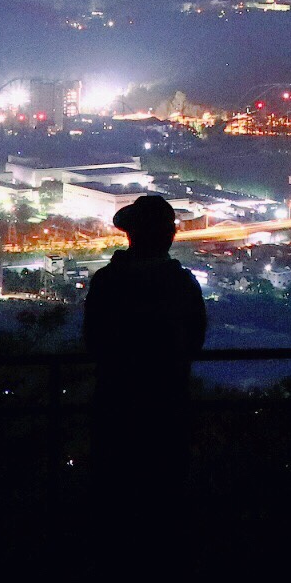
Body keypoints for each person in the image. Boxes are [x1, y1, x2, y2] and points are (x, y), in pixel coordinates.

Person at [82, 194, 207, 508]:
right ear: (170, 236)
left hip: (116, 403)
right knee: (165, 494)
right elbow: (196, 338)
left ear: (130, 234)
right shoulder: (182, 284)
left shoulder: (108, 282)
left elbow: (93, 340)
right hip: (168, 404)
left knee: (115, 493)